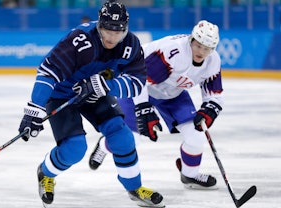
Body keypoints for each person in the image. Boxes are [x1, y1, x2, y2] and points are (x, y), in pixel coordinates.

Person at [18, 0, 164, 208]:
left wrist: (105, 85)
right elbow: (48, 72)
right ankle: (45, 173)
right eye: (108, 30)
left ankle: (134, 187)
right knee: (75, 149)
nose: (113, 37)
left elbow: (137, 83)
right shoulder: (80, 40)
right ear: (99, 25)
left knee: (122, 137)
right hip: (63, 94)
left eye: (119, 31)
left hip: (97, 91)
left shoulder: (131, 45)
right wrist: (34, 110)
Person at [89, 20, 223, 190]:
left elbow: (214, 92)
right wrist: (144, 109)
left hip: (172, 93)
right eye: (198, 46)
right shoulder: (173, 52)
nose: (201, 52)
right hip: (135, 86)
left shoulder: (213, 61)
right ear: (192, 40)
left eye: (207, 48)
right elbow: (140, 81)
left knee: (196, 137)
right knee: (131, 139)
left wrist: (210, 109)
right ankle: (104, 145)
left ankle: (190, 175)